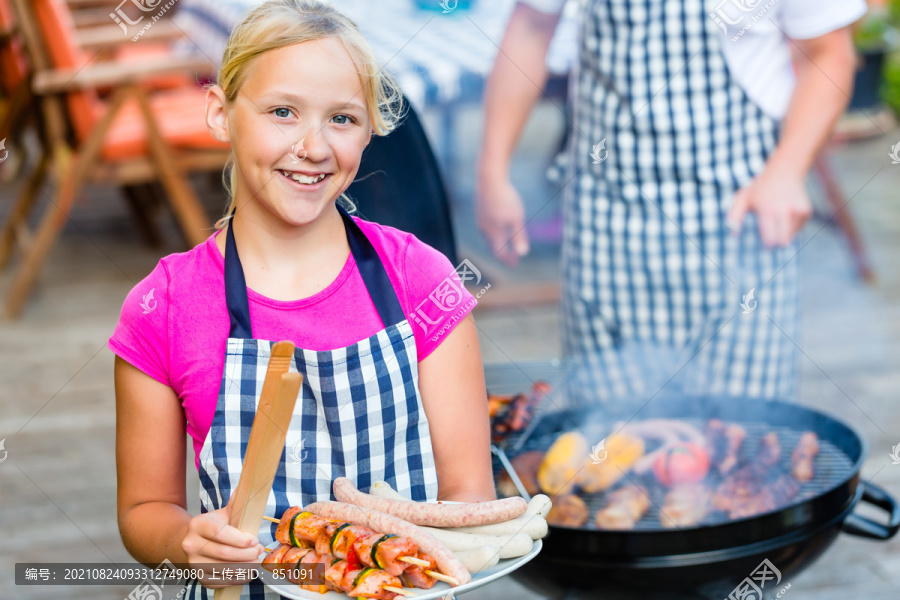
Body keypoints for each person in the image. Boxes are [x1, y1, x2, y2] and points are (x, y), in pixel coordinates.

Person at [109, 2, 494, 597]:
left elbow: (469, 494)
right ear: (220, 113)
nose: (313, 147)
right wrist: (186, 543)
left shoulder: (421, 279)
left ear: (370, 132)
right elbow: (144, 510)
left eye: (342, 119)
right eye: (282, 112)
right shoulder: (163, 306)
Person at [477, 0, 864, 401]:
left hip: (740, 217)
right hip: (605, 218)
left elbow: (830, 54)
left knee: (745, 427)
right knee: (607, 434)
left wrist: (787, 170)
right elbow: (531, 29)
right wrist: (492, 171)